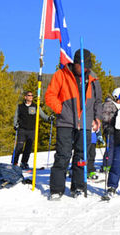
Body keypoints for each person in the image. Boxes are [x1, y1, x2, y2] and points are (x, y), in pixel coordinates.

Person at [45, 49, 103, 200]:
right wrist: (61, 110)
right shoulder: (62, 74)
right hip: (65, 122)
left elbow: (98, 102)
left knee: (81, 156)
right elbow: (50, 96)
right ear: (75, 63)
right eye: (83, 66)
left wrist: (97, 118)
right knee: (63, 156)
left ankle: (78, 187)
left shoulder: (93, 80)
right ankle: (57, 189)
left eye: (88, 66)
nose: (86, 69)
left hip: (85, 124)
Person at [12, 91, 52, 169]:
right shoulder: (20, 107)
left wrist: (49, 118)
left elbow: (42, 115)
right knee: (19, 147)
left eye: (32, 96)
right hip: (22, 130)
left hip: (32, 130)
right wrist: (15, 124)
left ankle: (24, 163)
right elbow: (16, 116)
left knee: (28, 148)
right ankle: (15, 162)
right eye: (29, 95)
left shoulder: (35, 106)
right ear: (25, 97)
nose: (31, 97)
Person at [101, 88, 120, 173]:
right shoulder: (109, 104)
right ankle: (106, 164)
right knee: (111, 147)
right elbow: (105, 116)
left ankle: (115, 163)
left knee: (117, 147)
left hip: (118, 129)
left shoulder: (119, 105)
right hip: (110, 128)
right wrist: (110, 124)